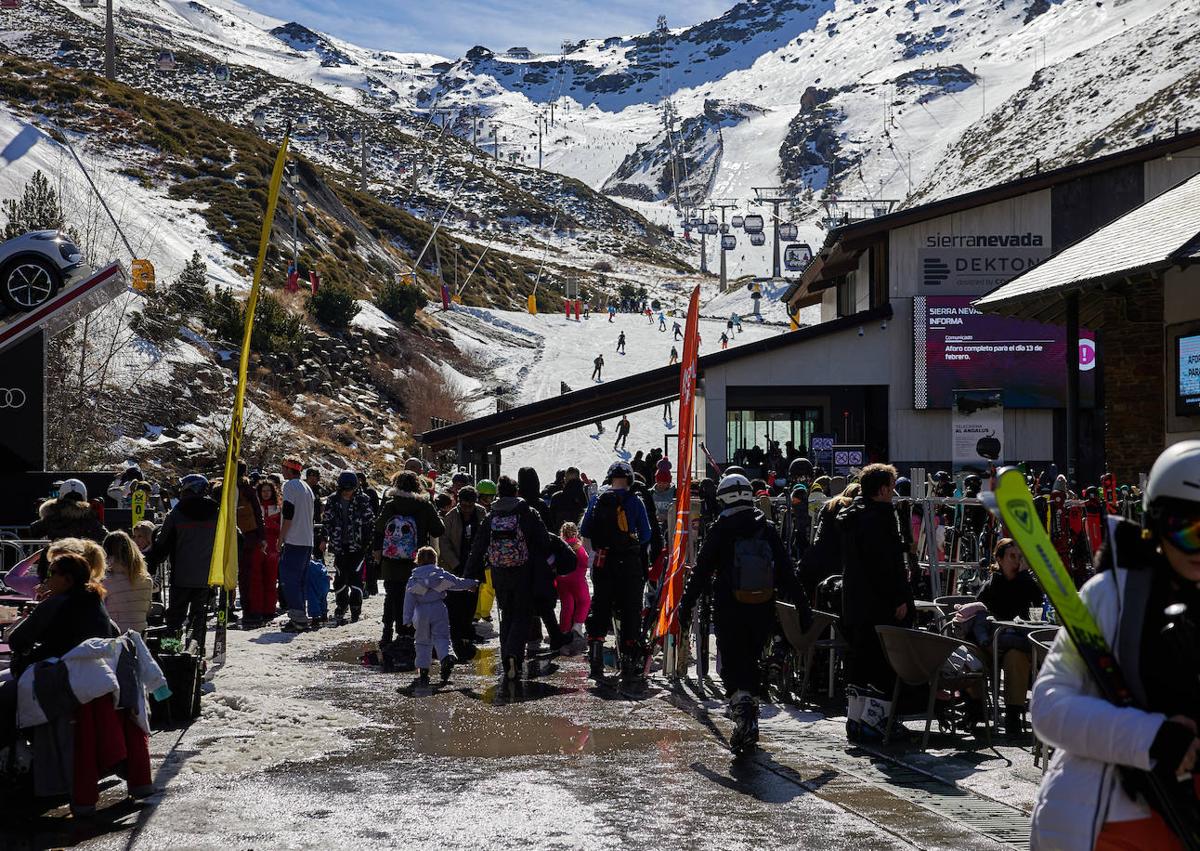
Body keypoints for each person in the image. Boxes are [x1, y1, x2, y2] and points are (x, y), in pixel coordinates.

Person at [1030, 441, 1200, 850]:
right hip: (1113, 824)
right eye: (1187, 530)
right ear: (1155, 525)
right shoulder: (1112, 597)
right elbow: (1049, 705)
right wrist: (1151, 737)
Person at [680, 474, 808, 752]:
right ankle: (749, 707)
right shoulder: (768, 528)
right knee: (751, 657)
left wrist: (685, 605)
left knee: (733, 661)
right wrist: (803, 604)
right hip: (763, 604)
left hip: (729, 605)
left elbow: (701, 572)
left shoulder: (720, 529)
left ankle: (743, 710)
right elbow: (787, 571)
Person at [0, 547, 118, 749]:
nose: (47, 579)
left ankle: (10, 754)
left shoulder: (56, 602)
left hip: (58, 678)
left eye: (52, 573)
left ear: (68, 579)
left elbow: (17, 641)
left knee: (4, 695)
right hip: (92, 675)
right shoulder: (95, 601)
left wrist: (38, 610)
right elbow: (114, 633)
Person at [837, 465, 913, 741]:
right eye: (891, 487)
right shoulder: (880, 518)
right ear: (882, 490)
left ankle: (855, 720)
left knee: (859, 661)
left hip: (854, 602)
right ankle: (877, 721)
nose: (893, 493)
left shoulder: (851, 516)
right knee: (882, 662)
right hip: (879, 604)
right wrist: (899, 598)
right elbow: (885, 565)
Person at [465, 475, 550, 682]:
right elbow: (544, 541)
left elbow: (478, 547)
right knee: (522, 614)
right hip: (523, 571)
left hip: (499, 572)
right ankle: (514, 655)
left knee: (506, 613)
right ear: (516, 492)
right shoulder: (528, 513)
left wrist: (469, 575)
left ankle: (506, 658)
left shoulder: (492, 516)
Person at [580, 461, 652, 685]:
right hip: (629, 562)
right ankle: (629, 659)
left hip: (604, 560)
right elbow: (647, 534)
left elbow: (585, 531)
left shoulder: (597, 500)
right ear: (630, 479)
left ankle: (595, 653)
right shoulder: (635, 501)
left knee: (600, 604)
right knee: (631, 608)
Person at [373, 470, 445, 670]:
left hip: (391, 561)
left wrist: (377, 552)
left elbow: (378, 528)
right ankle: (411, 634)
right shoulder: (424, 505)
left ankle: (388, 633)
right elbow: (439, 530)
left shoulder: (390, 505)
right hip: (417, 563)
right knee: (415, 598)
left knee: (392, 595)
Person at [974, 538, 1045, 736]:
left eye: (1020, 557)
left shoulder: (1026, 583)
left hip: (1020, 645)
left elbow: (1039, 603)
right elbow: (980, 614)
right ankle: (976, 709)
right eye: (1012, 556)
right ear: (999, 558)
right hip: (992, 645)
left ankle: (1013, 715)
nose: (1016, 561)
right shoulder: (991, 586)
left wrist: (1024, 577)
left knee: (1015, 656)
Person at [148, 475, 219, 653]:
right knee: (199, 618)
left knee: (174, 619)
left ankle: (170, 652)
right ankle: (197, 654)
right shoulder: (217, 512)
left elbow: (162, 544)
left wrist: (151, 563)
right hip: (207, 577)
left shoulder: (177, 512)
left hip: (181, 576)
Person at [403, 546, 479, 688]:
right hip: (439, 608)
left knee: (422, 641)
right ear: (435, 560)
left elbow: (409, 600)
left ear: (417, 561)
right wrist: (472, 584)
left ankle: (423, 669)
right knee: (442, 637)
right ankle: (446, 657)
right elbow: (457, 583)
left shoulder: (414, 579)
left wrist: (407, 619)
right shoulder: (441, 576)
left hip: (421, 612)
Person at [518, 467, 571, 654]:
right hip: (540, 561)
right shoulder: (539, 505)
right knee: (543, 599)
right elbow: (549, 532)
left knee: (524, 598)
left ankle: (531, 636)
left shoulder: (517, 505)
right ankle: (554, 635)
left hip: (519, 560)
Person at [438, 485, 486, 658]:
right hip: (455, 567)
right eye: (464, 506)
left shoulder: (481, 514)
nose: (467, 509)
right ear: (458, 503)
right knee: (455, 601)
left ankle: (467, 631)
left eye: (470, 506)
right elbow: (444, 543)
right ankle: (456, 634)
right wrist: (455, 564)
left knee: (471, 601)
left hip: (474, 566)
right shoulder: (450, 517)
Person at [322, 470, 375, 626]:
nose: (347, 492)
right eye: (345, 489)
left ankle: (355, 606)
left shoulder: (363, 499)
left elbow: (369, 522)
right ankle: (341, 604)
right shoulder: (333, 500)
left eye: (350, 489)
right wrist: (324, 538)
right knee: (339, 577)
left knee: (356, 577)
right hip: (339, 545)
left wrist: (367, 543)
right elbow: (327, 521)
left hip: (358, 546)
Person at [30, 479, 107, 578]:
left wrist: (48, 511)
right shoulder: (88, 516)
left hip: (55, 563)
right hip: (80, 563)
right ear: (84, 495)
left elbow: (34, 530)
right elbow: (104, 536)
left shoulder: (53, 515)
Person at [279, 458, 316, 633]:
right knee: (299, 580)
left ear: (288, 469)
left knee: (289, 580)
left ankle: (298, 619)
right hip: (307, 540)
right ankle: (301, 615)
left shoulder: (290, 486)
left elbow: (288, 513)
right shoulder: (307, 488)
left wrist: (281, 538)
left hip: (294, 539)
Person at [102, 530, 153, 634]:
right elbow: (147, 610)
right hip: (140, 638)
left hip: (114, 639)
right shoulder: (146, 579)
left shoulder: (105, 581)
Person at [233, 461, 264, 626]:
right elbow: (258, 514)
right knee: (247, 576)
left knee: (244, 577)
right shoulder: (247, 489)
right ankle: (248, 611)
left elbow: (258, 513)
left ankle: (248, 610)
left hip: (243, 537)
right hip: (249, 536)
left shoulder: (235, 489)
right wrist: (262, 536)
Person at [556, 523, 590, 646]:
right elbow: (585, 562)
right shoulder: (578, 546)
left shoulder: (559, 544)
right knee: (584, 601)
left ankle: (564, 629)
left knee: (567, 605)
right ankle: (577, 626)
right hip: (577, 580)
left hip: (562, 580)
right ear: (575, 532)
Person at [253, 480, 282, 622]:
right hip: (258, 546)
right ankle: (257, 609)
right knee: (257, 579)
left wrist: (269, 524)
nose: (266, 493)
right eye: (263, 491)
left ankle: (269, 609)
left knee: (271, 579)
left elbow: (281, 528)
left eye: (268, 491)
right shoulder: (255, 507)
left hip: (273, 547)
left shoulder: (278, 508)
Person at [306, 527, 331, 627]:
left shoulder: (308, 567)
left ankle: (315, 618)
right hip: (324, 579)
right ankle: (324, 615)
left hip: (315, 580)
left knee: (313, 598)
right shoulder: (319, 564)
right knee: (322, 598)